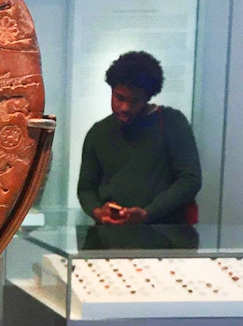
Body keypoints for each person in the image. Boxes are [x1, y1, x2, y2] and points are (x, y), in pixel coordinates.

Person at [77, 51, 201, 225]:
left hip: (164, 237)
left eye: (134, 101)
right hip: (111, 238)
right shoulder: (98, 132)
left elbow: (190, 180)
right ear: (112, 90)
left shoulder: (172, 122)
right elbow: (86, 189)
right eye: (119, 97)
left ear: (147, 98)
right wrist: (99, 212)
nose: (125, 107)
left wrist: (149, 213)